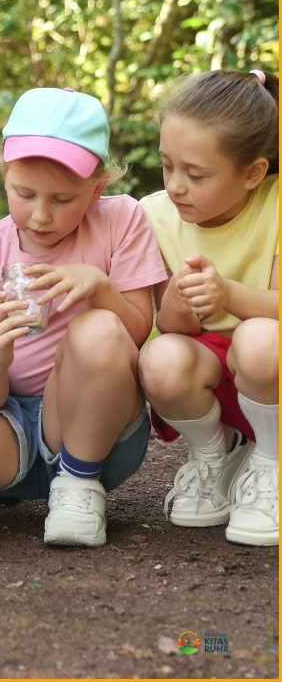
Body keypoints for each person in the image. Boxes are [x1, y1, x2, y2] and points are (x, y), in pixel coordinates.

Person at [0, 88, 167, 547]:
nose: (41, 215)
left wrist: (101, 287)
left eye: (63, 199)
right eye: (25, 194)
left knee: (99, 328)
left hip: (100, 431)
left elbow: (137, 331)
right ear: (4, 175)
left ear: (96, 189)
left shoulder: (121, 219)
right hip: (9, 426)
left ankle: (78, 487)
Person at [138, 69, 278, 547]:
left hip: (269, 372)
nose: (176, 186)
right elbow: (170, 328)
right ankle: (215, 456)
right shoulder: (154, 216)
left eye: (195, 174)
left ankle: (271, 465)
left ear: (253, 173)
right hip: (214, 380)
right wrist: (177, 303)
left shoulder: (275, 207)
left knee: (260, 338)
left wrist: (229, 295)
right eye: (167, 166)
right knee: (159, 359)